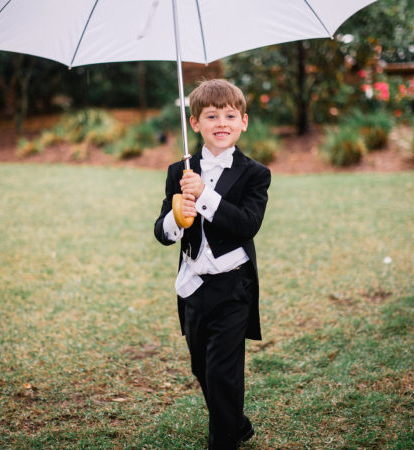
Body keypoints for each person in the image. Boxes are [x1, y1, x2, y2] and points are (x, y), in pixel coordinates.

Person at [154, 79, 271, 449]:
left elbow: (246, 225)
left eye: (230, 115)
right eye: (211, 115)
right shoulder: (180, 171)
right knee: (201, 368)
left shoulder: (255, 173)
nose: (222, 123)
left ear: (244, 121)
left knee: (223, 373)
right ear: (195, 123)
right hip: (193, 285)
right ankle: (236, 424)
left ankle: (223, 441)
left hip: (233, 285)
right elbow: (161, 231)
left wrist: (206, 196)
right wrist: (179, 215)